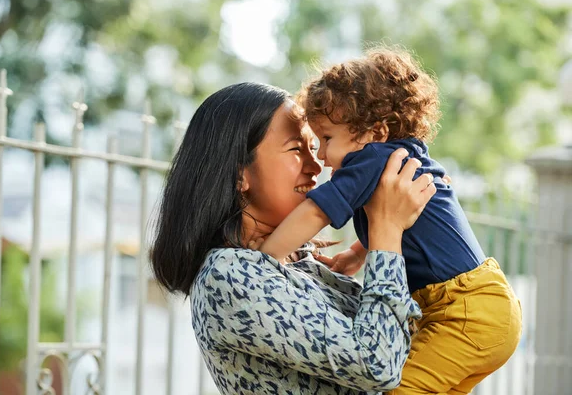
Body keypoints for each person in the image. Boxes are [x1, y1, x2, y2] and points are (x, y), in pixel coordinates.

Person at [258, 46, 523, 394]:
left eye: (326, 139)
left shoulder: (369, 159)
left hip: (466, 312)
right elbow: (411, 225)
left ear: (376, 132)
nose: (321, 156)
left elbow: (316, 211)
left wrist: (264, 256)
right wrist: (359, 252)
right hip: (481, 306)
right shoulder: (399, 156)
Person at [150, 82, 438, 394]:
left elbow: (398, 336)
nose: (317, 166)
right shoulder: (229, 275)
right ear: (239, 175)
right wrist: (386, 229)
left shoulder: (300, 263)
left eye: (314, 147)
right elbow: (378, 363)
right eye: (295, 149)